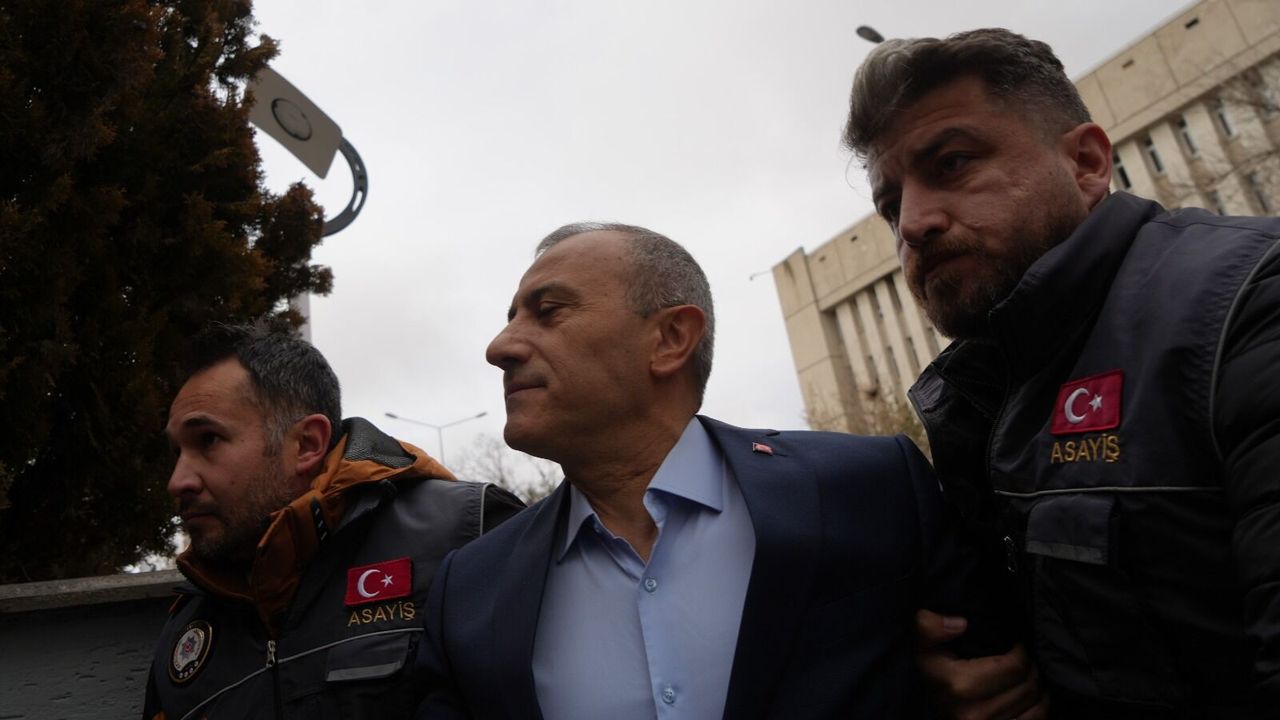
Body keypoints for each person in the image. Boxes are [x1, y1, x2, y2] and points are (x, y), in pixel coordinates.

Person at [844, 27, 1280, 718]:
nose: (914, 224)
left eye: (953, 163)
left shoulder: (1252, 304)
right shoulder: (976, 396)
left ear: (1086, 164)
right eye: (892, 206)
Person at [414, 222, 1011, 719]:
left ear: (671, 339)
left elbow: (1002, 675)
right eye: (512, 317)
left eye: (548, 312)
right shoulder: (468, 588)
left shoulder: (870, 489)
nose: (500, 347)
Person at [143, 321, 523, 719]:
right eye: (176, 451)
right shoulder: (187, 628)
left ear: (306, 444)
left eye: (208, 440)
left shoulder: (465, 534)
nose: (177, 481)